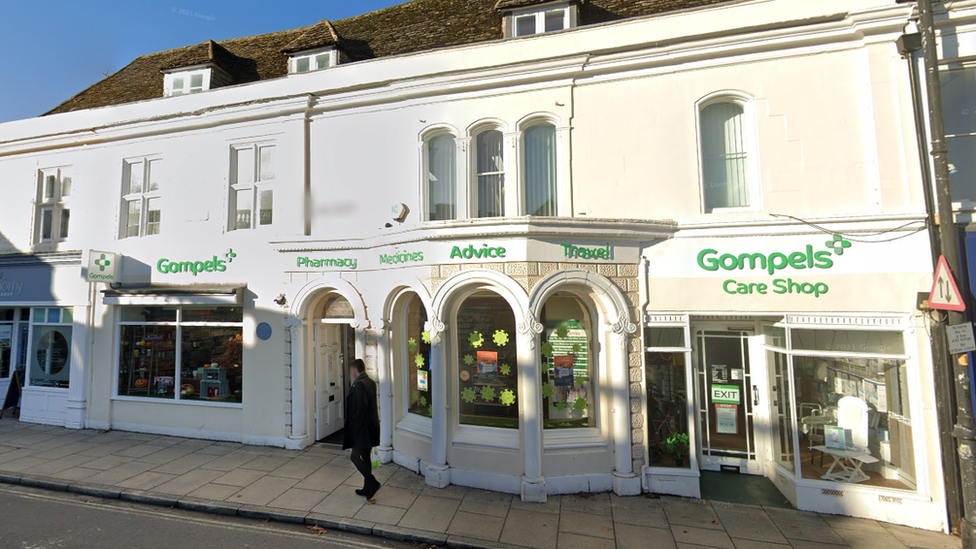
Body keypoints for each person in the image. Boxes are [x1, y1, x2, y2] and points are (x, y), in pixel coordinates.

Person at [342, 358, 381, 498]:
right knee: (365, 457)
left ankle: (372, 482)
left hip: (363, 429)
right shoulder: (370, 382)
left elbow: (362, 405)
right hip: (372, 427)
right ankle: (367, 488)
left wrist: (356, 423)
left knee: (355, 456)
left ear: (354, 369)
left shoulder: (359, 384)